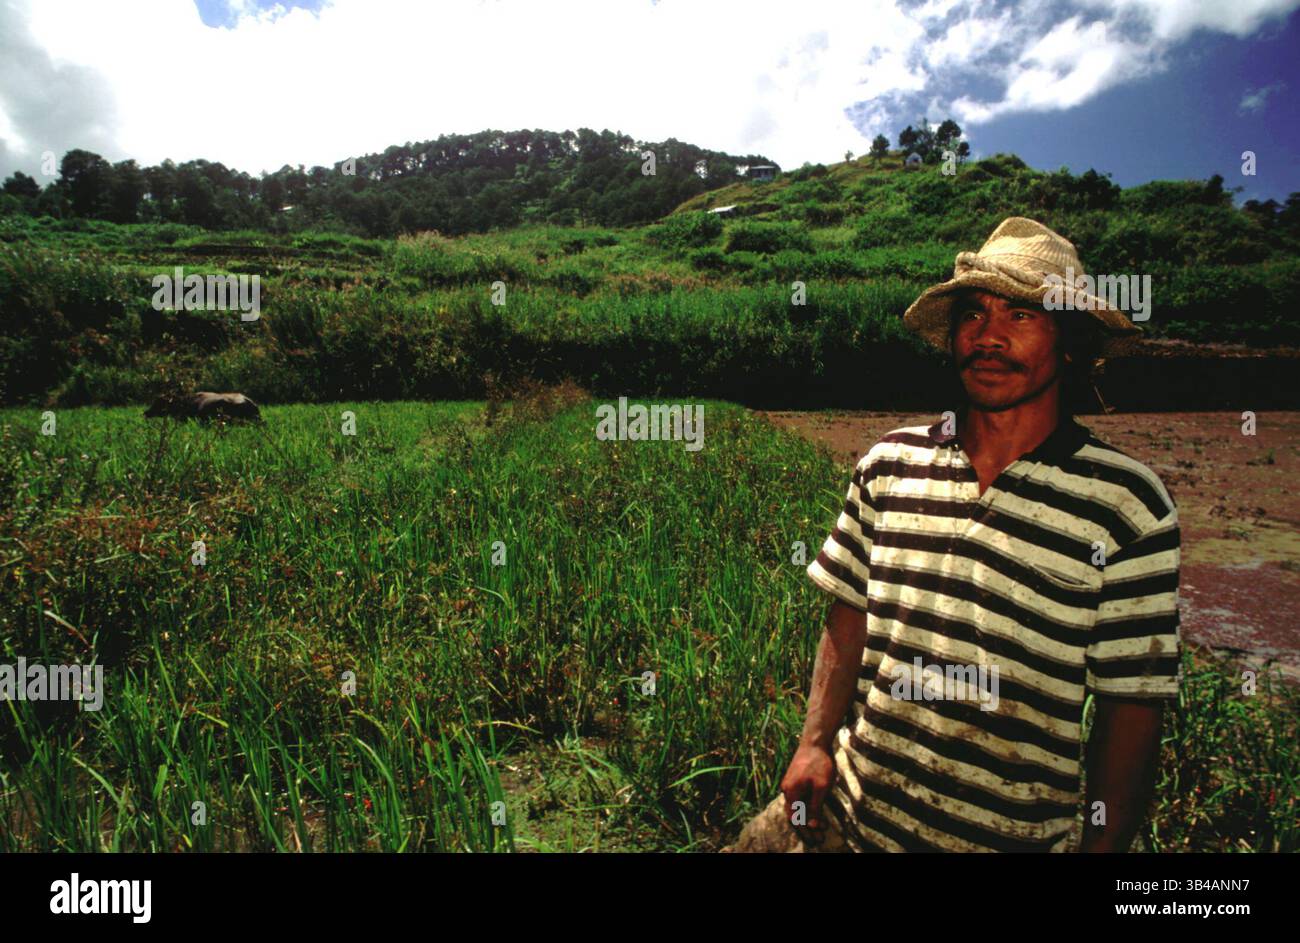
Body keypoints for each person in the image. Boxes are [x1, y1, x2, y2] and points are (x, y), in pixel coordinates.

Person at [728, 217, 1181, 853]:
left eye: (1021, 315)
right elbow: (847, 614)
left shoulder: (1126, 504)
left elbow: (1130, 706)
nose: (989, 336)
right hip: (844, 820)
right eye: (973, 313)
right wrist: (812, 746)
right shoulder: (889, 464)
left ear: (1071, 343)